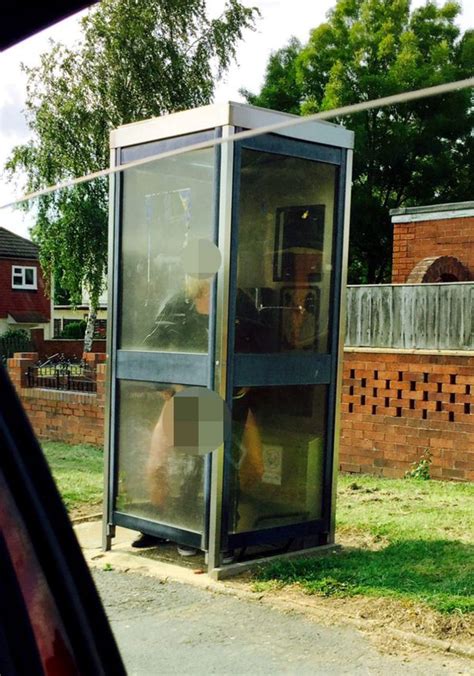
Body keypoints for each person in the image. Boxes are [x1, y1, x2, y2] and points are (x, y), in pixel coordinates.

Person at [132, 278, 269, 559]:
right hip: (188, 396)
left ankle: (223, 534)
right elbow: (153, 344)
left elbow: (261, 342)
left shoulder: (238, 299)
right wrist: (167, 386)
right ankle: (185, 529)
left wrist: (247, 380)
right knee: (187, 464)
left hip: (229, 399)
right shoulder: (178, 302)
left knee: (226, 465)